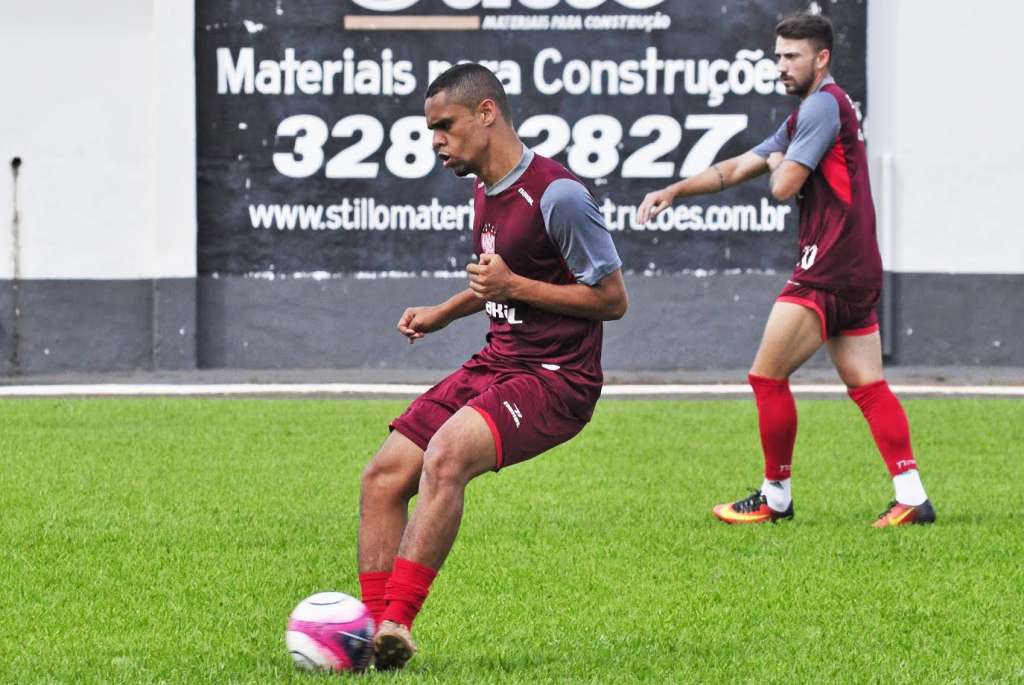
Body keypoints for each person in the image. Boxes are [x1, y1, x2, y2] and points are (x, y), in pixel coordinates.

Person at [358, 63, 628, 670]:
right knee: (383, 475)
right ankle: (372, 635)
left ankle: (398, 619)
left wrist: (514, 284)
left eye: (444, 126)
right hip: (497, 361)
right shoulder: (485, 188)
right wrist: (444, 313)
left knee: (446, 455)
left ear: (486, 113)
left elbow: (613, 300)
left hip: (557, 377)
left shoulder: (560, 195)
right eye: (431, 130)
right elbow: (498, 280)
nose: (435, 143)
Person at [637, 12, 935, 528]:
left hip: (829, 267)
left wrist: (781, 163)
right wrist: (676, 190)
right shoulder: (812, 113)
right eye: (778, 55)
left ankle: (776, 495)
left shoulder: (821, 106)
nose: (781, 65)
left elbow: (781, 184)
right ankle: (912, 495)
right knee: (868, 385)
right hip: (858, 267)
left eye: (792, 56)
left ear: (821, 58)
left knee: (766, 376)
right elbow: (735, 168)